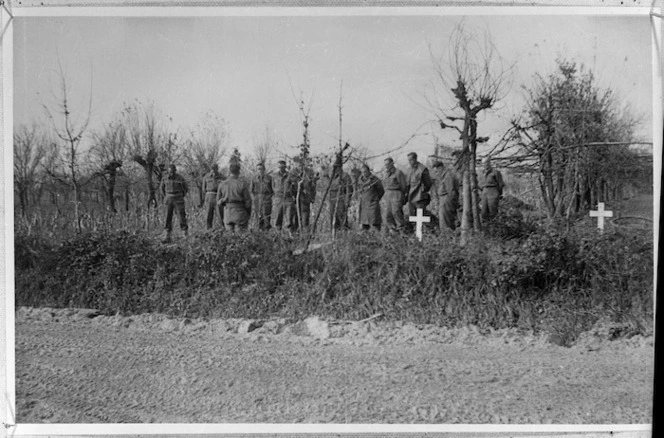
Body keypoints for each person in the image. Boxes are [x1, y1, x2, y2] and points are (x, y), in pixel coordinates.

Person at [217, 163, 252, 232]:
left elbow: (218, 202)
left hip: (227, 214)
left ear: (230, 171)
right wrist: (248, 214)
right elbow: (248, 202)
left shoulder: (222, 184)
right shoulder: (242, 184)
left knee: (229, 238)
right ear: (239, 172)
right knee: (241, 239)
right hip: (240, 214)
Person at [160, 164, 189, 243]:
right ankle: (167, 234)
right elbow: (162, 190)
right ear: (168, 172)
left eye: (173, 172)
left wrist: (180, 196)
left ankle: (184, 233)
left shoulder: (180, 178)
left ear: (175, 171)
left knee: (181, 216)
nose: (171, 174)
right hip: (168, 198)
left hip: (178, 199)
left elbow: (185, 189)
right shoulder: (165, 178)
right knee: (167, 217)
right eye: (170, 172)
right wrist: (167, 196)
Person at [405, 152, 433, 228]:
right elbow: (407, 184)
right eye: (408, 160)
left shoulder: (422, 169)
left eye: (411, 160)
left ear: (415, 159)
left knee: (421, 217)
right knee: (412, 217)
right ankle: (415, 235)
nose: (409, 162)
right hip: (411, 198)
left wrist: (423, 191)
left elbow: (428, 183)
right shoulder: (409, 170)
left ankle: (425, 234)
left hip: (420, 197)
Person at [431, 161, 460, 231]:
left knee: (446, 224)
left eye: (437, 171)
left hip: (446, 203)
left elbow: (451, 193)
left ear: (441, 168)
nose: (436, 174)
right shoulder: (444, 177)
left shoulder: (448, 176)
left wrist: (450, 206)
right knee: (444, 224)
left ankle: (449, 239)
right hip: (443, 202)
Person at [382, 157, 408, 233]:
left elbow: (403, 186)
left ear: (392, 163)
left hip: (396, 194)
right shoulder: (386, 174)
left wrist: (402, 196)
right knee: (388, 214)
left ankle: (402, 231)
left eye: (387, 164)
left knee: (396, 212)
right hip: (388, 195)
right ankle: (392, 231)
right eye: (385, 165)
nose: (386, 166)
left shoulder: (398, 173)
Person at [328, 157, 354, 231]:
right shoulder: (332, 177)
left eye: (337, 167)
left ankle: (343, 235)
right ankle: (334, 235)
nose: (335, 168)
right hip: (332, 200)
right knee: (333, 219)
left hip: (341, 200)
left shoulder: (345, 176)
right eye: (334, 167)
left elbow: (349, 190)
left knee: (342, 218)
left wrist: (347, 201)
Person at [358, 164, 385, 231]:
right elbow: (360, 190)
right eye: (362, 172)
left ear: (369, 171)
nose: (364, 174)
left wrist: (375, 199)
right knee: (364, 223)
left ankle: (377, 236)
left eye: (365, 172)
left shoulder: (375, 179)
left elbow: (381, 191)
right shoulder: (360, 179)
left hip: (373, 203)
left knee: (375, 221)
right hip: (364, 204)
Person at [271, 160, 296, 231]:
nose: (281, 167)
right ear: (278, 167)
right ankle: (277, 234)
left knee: (289, 218)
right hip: (278, 199)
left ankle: (289, 234)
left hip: (288, 199)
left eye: (283, 166)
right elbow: (272, 186)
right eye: (280, 166)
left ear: (285, 167)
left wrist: (290, 193)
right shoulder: (274, 176)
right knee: (277, 218)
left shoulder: (290, 175)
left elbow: (294, 187)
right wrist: (276, 193)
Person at [292, 166, 317, 231]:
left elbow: (313, 188)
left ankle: (305, 234)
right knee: (296, 218)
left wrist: (312, 198)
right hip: (295, 201)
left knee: (305, 219)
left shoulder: (308, 177)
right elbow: (291, 189)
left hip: (305, 200)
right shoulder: (294, 176)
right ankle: (296, 233)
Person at [250, 162, 274, 230]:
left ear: (264, 169)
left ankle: (267, 233)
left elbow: (273, 190)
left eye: (261, 169)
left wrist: (269, 197)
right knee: (258, 218)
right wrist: (254, 199)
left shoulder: (269, 178)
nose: (259, 170)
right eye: (258, 169)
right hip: (257, 200)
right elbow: (251, 190)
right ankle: (259, 233)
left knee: (266, 217)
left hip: (266, 200)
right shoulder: (254, 178)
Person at [480, 156, 505, 221]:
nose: (484, 165)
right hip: (484, 193)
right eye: (483, 164)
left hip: (493, 192)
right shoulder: (482, 173)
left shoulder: (495, 172)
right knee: (483, 213)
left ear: (489, 163)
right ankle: (486, 228)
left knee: (493, 212)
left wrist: (498, 194)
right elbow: (480, 184)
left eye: (485, 163)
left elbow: (501, 184)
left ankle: (494, 228)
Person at [202, 163, 224, 230]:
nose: (213, 171)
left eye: (215, 169)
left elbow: (225, 188)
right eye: (212, 169)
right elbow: (203, 189)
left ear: (217, 169)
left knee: (220, 215)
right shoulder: (206, 177)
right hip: (209, 197)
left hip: (218, 197)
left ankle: (223, 230)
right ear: (210, 170)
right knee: (208, 216)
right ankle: (208, 231)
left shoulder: (222, 177)